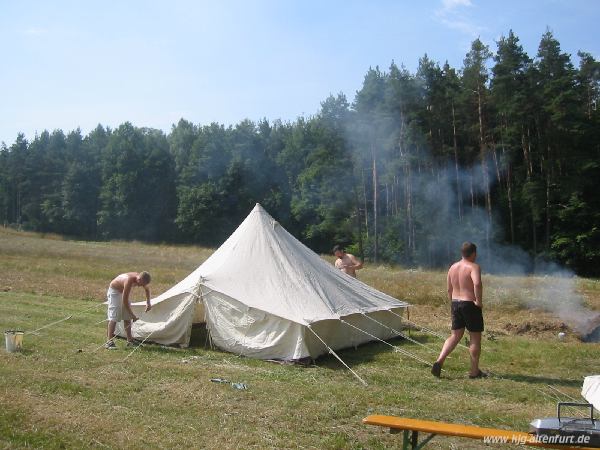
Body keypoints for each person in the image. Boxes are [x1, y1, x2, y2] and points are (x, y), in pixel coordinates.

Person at [431, 242, 486, 378]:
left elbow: (449, 289)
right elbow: (477, 284)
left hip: (455, 303)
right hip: (469, 304)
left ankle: (439, 360)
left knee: (455, 336)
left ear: (462, 253)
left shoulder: (452, 267)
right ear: (473, 253)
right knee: (475, 337)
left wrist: (453, 302)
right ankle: (474, 371)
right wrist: (478, 301)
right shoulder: (473, 267)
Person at [105, 271, 152, 349]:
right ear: (139, 279)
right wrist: (133, 315)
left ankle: (130, 341)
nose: (140, 286)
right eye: (141, 284)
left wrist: (148, 303)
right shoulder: (128, 280)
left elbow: (147, 290)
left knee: (127, 317)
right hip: (115, 292)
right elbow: (125, 300)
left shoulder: (141, 279)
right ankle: (109, 342)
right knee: (114, 317)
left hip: (122, 293)